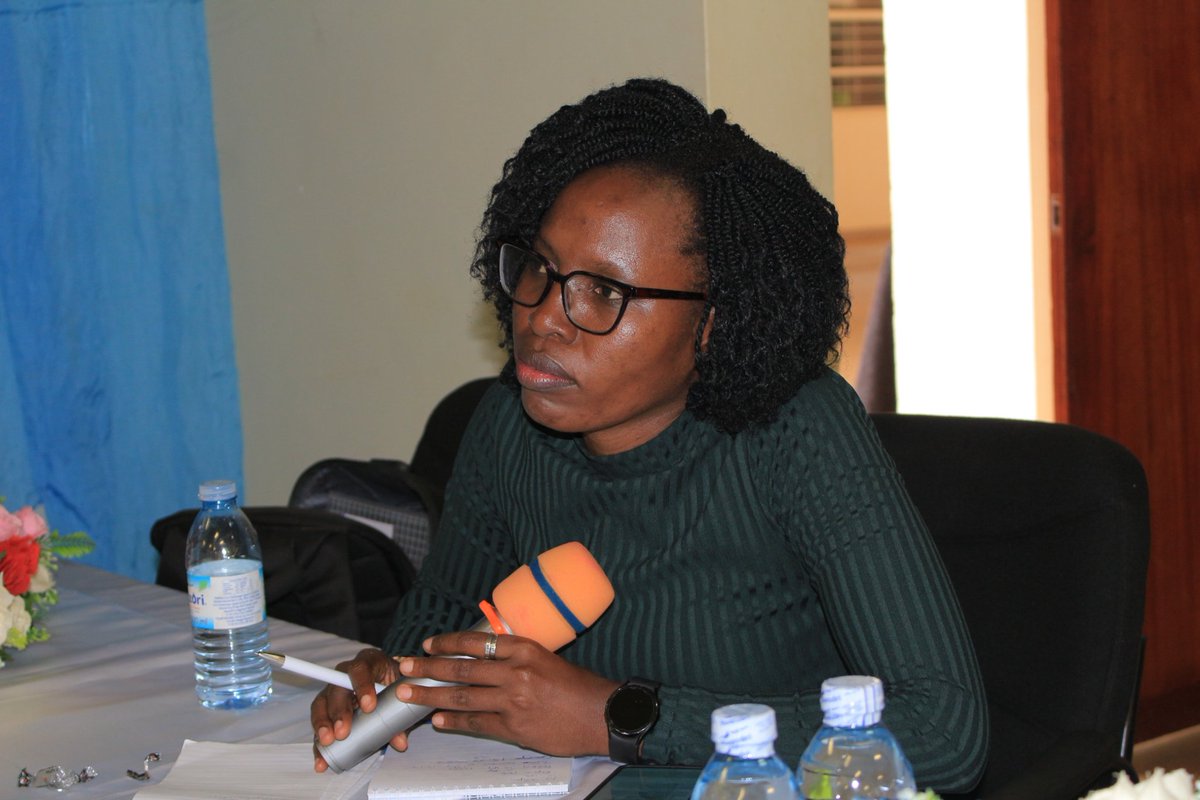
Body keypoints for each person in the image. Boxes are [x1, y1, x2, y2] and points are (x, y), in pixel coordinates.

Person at [311, 77, 988, 794]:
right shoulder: (509, 422)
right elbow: (447, 608)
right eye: (541, 267)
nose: (544, 317)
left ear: (714, 322)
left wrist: (618, 717)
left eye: (605, 291)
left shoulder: (797, 432)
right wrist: (386, 674)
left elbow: (945, 732)